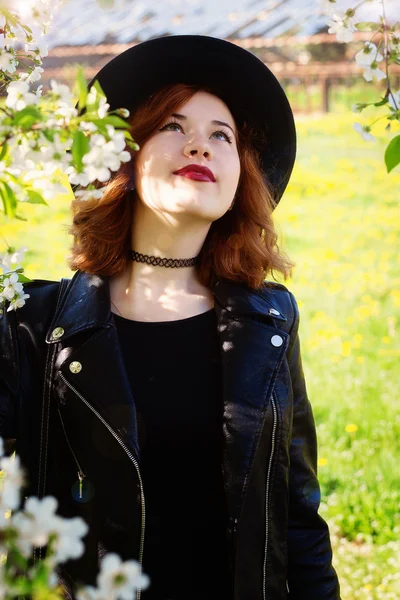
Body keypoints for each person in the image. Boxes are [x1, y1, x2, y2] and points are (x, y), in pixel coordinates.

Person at [0, 35, 341, 600]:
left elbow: (296, 513)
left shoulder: (270, 321)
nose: (200, 147)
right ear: (124, 157)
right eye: (173, 127)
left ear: (241, 176)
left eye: (221, 135)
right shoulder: (33, 323)